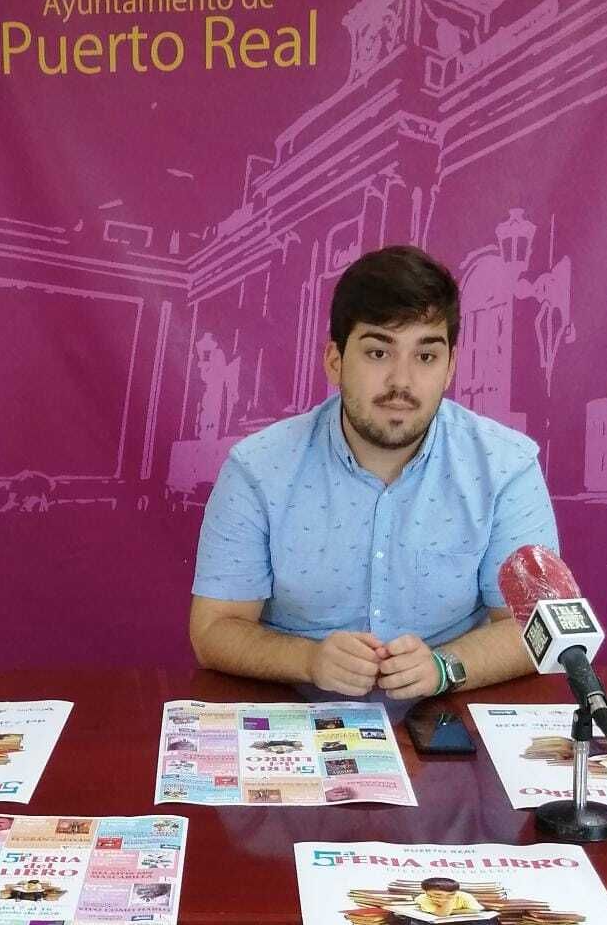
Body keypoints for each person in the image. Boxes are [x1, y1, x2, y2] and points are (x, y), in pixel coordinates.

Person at [189, 245, 558, 700]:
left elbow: (539, 626)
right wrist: (308, 660)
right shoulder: (258, 469)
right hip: (294, 711)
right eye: (379, 352)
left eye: (426, 357)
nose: (402, 382)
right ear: (335, 361)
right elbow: (214, 629)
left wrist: (445, 667)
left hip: (445, 713)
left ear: (450, 367)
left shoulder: (506, 467)